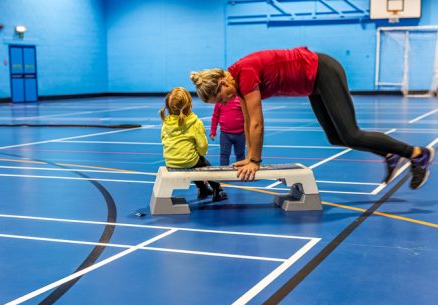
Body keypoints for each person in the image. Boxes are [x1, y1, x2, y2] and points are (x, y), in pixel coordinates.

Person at [190, 47, 434, 188]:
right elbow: (246, 122)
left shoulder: (244, 73)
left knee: (351, 133)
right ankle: (389, 154)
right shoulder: (237, 83)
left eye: (220, 98)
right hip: (312, 85)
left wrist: (255, 159)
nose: (223, 103)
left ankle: (417, 154)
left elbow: (256, 121)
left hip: (322, 71)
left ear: (222, 82)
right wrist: (247, 159)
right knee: (336, 138)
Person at [159, 87, 228, 202]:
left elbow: (163, 139)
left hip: (170, 161)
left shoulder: (166, 123)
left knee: (194, 161)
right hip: (189, 161)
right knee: (203, 164)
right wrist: (200, 153)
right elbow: (202, 146)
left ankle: (202, 188)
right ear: (189, 104)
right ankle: (218, 189)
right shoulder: (195, 122)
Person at [210, 96, 246, 166]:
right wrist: (213, 131)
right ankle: (223, 172)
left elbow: (247, 116)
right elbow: (215, 117)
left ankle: (241, 171)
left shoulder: (240, 100)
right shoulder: (220, 101)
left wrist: (249, 132)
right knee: (224, 155)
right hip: (225, 135)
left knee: (240, 155)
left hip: (240, 134)